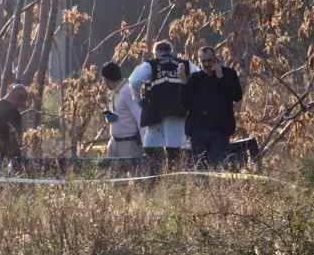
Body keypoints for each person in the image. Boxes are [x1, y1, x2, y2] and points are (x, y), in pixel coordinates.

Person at [128, 40, 191, 169]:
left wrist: (139, 100)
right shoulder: (186, 64)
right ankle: (175, 178)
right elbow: (198, 79)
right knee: (177, 151)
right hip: (179, 112)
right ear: (171, 52)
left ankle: (156, 178)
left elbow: (133, 81)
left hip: (155, 112)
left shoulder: (151, 65)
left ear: (156, 54)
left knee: (152, 149)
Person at [183, 44, 243, 167]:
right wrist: (183, 83)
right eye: (203, 61)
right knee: (200, 169)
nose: (206, 64)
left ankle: (218, 187)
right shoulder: (194, 79)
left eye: (209, 60)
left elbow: (236, 96)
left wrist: (221, 78)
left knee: (220, 167)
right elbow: (185, 104)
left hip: (220, 130)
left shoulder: (229, 74)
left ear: (215, 59)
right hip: (198, 131)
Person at [100, 61, 143, 160]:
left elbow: (139, 115)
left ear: (106, 79)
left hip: (128, 143)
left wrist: (145, 142)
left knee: (130, 174)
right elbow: (121, 112)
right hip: (114, 141)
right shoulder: (115, 92)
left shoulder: (127, 91)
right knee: (113, 174)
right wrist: (109, 117)